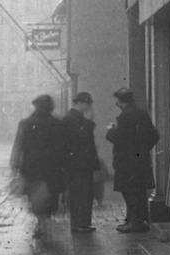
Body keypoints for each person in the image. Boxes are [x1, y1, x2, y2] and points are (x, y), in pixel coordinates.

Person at [10, 94, 66, 243]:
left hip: (31, 167)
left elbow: (18, 145)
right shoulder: (57, 124)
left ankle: (41, 222)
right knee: (51, 196)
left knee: (34, 196)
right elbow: (64, 147)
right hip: (52, 168)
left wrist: (15, 165)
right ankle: (44, 221)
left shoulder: (26, 123)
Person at [106, 86, 161, 232]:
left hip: (126, 162)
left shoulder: (125, 117)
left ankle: (134, 222)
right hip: (140, 160)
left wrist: (110, 130)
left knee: (129, 191)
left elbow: (119, 138)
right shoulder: (142, 114)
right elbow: (154, 135)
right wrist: (142, 149)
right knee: (139, 191)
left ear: (120, 102)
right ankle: (137, 220)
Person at [62, 93, 104, 233]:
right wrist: (89, 122)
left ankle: (83, 223)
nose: (89, 107)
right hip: (77, 164)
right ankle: (79, 223)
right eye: (88, 104)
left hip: (82, 163)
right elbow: (80, 137)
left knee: (85, 194)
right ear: (80, 103)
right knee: (79, 194)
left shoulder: (76, 118)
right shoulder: (71, 119)